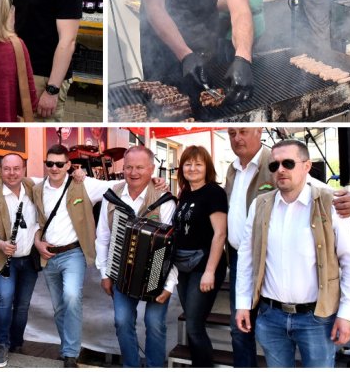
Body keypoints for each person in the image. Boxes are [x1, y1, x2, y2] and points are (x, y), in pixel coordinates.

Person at [223, 127, 350, 367]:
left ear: (307, 166)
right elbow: (246, 257)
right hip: (271, 317)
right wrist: (243, 304)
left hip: (316, 319)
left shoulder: (329, 203)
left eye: (288, 163)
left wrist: (347, 315)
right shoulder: (260, 205)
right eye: (274, 166)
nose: (281, 170)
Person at [30, 144, 121, 368]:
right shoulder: (37, 188)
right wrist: (37, 243)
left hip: (74, 253)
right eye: (49, 163)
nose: (54, 168)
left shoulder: (83, 184)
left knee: (71, 296)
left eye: (60, 164)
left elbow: (117, 185)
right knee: (59, 307)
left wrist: (155, 181)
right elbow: (34, 221)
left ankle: (71, 353)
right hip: (49, 255)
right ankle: (67, 348)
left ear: (69, 165)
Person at [94, 145, 178, 368]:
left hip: (156, 275)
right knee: (122, 322)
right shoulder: (112, 196)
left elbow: (172, 247)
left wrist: (169, 285)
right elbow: (103, 237)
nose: (133, 172)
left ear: (152, 169)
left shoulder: (165, 200)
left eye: (140, 167)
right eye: (129, 167)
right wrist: (105, 273)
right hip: (122, 272)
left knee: (154, 323)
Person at [0, 153, 39, 367]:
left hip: (29, 259)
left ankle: (16, 343)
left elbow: (56, 181)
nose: (12, 173)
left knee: (22, 305)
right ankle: (1, 344)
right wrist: (0, 244)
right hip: (4, 261)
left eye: (17, 168)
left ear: (24, 170)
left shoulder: (31, 186)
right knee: (4, 301)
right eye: (7, 169)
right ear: (0, 170)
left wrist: (78, 174)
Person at [171, 145, 228, 367]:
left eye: (198, 164)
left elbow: (220, 234)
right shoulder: (185, 192)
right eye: (188, 163)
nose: (192, 168)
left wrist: (210, 272)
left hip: (204, 265)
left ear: (207, 167)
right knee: (192, 322)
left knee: (194, 325)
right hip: (183, 265)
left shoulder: (214, 192)